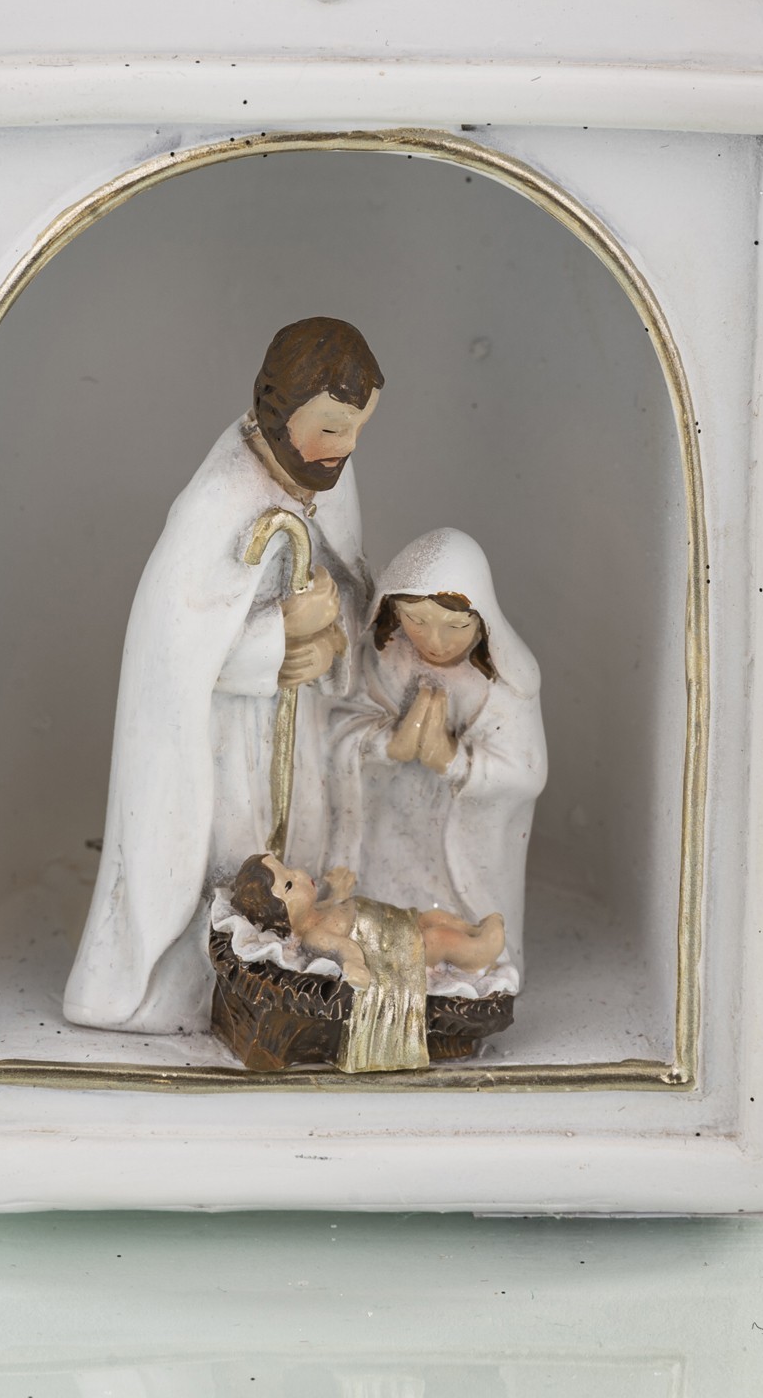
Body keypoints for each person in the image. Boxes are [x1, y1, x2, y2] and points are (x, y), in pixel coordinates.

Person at [63, 317, 383, 1034]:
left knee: (298, 858)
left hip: (296, 724)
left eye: (359, 429)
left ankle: (285, 977)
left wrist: (330, 640)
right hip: (222, 738)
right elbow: (171, 657)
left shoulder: (330, 478)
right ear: (277, 410)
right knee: (235, 859)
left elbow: (350, 588)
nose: (345, 448)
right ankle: (208, 980)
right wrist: (280, 637)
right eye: (332, 428)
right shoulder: (218, 503)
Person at [327, 528, 547, 974]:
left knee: (453, 924)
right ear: (392, 609)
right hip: (386, 829)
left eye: (456, 626)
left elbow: (527, 774)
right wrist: (387, 744)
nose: (435, 640)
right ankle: (383, 958)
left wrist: (453, 761)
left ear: (481, 620)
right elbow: (331, 730)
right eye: (416, 620)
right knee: (380, 913)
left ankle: (461, 958)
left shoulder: (502, 684)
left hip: (457, 846)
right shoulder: (380, 659)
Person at [231, 852, 507, 986]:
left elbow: (336, 904)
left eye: (290, 869)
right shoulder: (315, 936)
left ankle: (472, 929)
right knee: (439, 938)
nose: (300, 876)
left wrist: (339, 890)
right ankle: (480, 952)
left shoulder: (319, 910)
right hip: (398, 948)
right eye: (290, 885)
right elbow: (345, 949)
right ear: (283, 917)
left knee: (436, 917)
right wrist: (354, 967)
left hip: (397, 921)